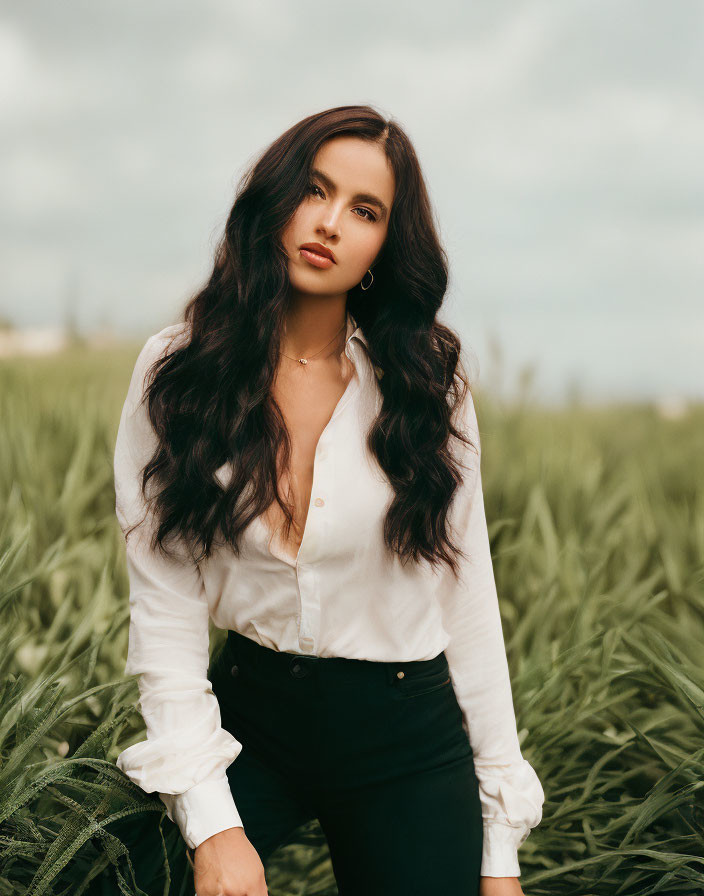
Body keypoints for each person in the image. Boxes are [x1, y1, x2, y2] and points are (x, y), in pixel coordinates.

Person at [113, 105, 544, 896]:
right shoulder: (176, 374)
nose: (330, 223)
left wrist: (500, 852)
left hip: (405, 727)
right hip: (252, 715)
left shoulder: (425, 387)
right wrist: (213, 825)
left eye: (365, 210)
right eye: (315, 190)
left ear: (385, 244)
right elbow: (166, 604)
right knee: (121, 881)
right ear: (276, 200)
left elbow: (466, 596)